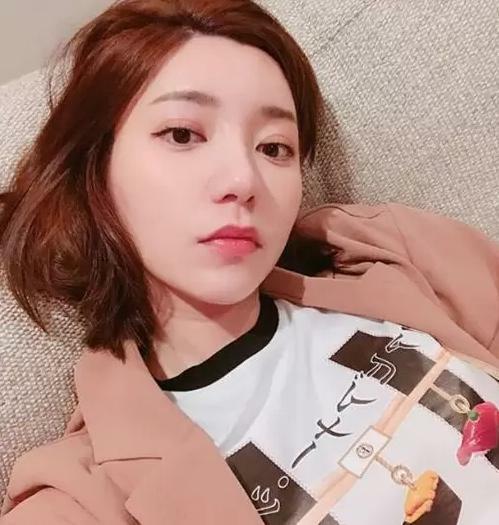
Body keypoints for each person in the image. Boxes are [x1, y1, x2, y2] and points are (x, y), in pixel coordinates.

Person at [0, 0, 498, 523]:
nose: (243, 179)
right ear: (94, 169)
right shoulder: (83, 498)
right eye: (182, 134)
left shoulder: (382, 249)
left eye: (274, 147)